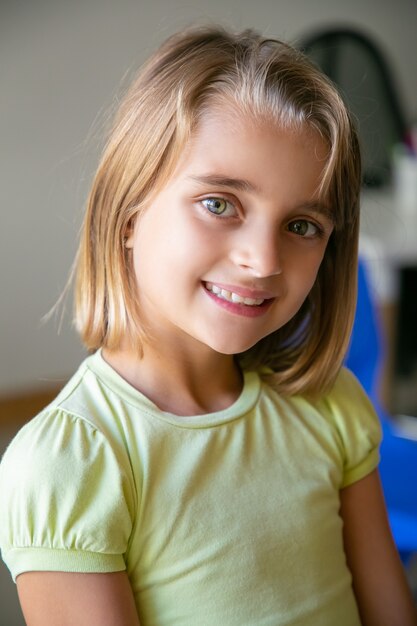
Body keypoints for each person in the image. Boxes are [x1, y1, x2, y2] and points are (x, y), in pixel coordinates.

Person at [0, 26, 416, 626]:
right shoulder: (73, 464)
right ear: (129, 213)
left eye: (302, 226)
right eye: (220, 204)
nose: (264, 260)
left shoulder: (330, 408)